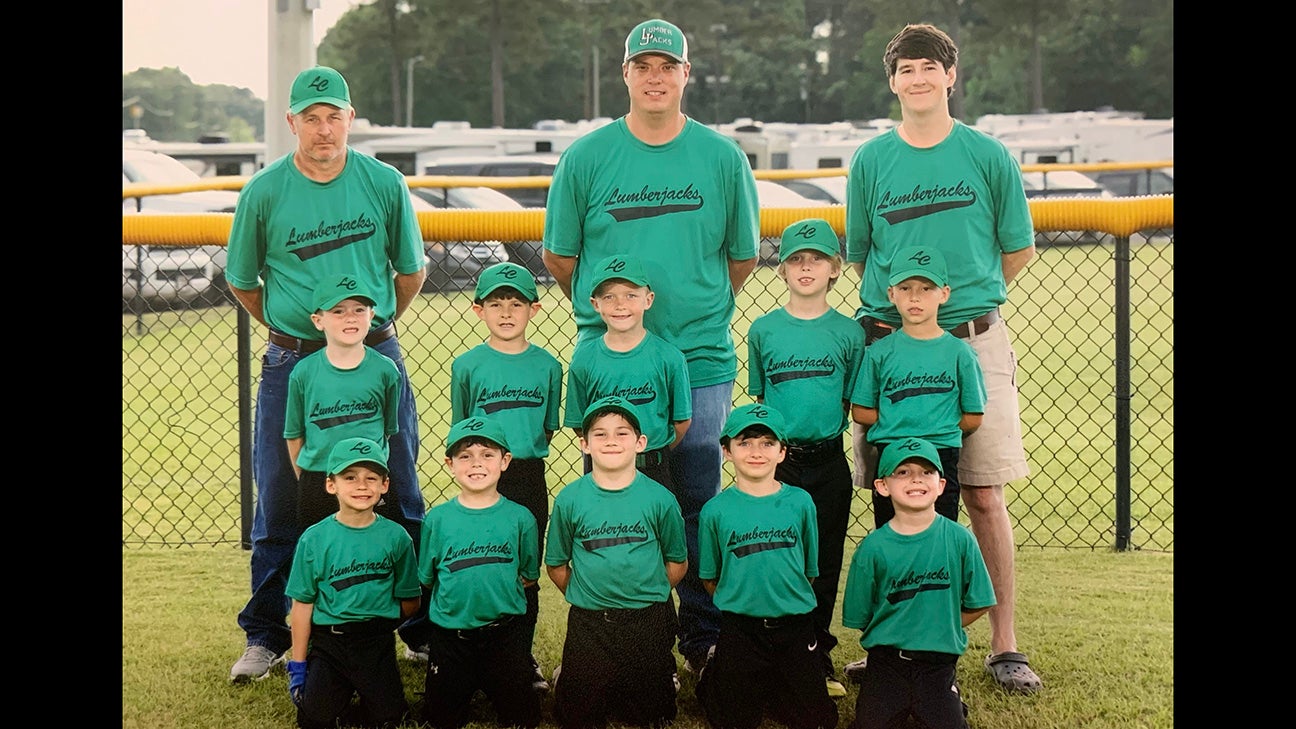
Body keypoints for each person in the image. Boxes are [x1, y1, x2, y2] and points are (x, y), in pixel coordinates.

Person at [542, 16, 761, 674]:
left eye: (669, 66)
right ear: (626, 75)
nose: (656, 76)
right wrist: (613, 321)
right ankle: (617, 644)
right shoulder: (587, 157)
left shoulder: (721, 158)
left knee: (697, 499)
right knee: (614, 505)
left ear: (686, 75)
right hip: (612, 362)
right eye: (645, 66)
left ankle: (699, 638)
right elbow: (560, 256)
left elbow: (741, 258)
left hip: (698, 357)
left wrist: (691, 302)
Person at [843, 22, 1043, 694]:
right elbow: (862, 254)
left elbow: (1015, 248)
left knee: (982, 493)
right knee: (897, 494)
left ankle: (1004, 643)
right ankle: (899, 639)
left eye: (930, 66)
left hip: (970, 341)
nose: (918, 78)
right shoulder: (872, 158)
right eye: (905, 68)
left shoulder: (986, 154)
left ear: (951, 76)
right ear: (892, 80)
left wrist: (969, 309)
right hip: (890, 346)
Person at [225, 65, 429, 682]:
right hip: (295, 360)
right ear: (291, 122)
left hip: (375, 357)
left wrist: (370, 332)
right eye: (309, 118)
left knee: (397, 487)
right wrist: (294, 331)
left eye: (333, 115)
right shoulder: (264, 191)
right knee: (283, 498)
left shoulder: (382, 182)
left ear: (351, 118)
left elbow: (409, 271)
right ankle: (268, 634)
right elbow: (243, 280)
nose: (322, 129)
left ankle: (416, 630)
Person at [745, 219, 865, 699]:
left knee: (825, 558)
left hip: (828, 461)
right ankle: (773, 650)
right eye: (796, 258)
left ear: (836, 268)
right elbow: (761, 397)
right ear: (782, 269)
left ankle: (816, 649)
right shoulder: (764, 329)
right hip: (781, 463)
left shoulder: (848, 333)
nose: (806, 267)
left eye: (816, 259)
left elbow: (847, 402)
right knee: (777, 555)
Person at [445, 261, 562, 688]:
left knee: (523, 569)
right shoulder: (468, 365)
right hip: (481, 474)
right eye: (496, 303)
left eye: (517, 303)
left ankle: (519, 655)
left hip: (528, 474)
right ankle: (472, 653)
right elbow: (464, 430)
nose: (507, 312)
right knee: (481, 563)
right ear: (479, 311)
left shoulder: (548, 365)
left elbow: (547, 425)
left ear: (535, 308)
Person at [544, 395, 689, 729]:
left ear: (640, 443)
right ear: (584, 444)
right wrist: (589, 594)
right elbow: (557, 566)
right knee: (578, 716)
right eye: (600, 434)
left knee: (652, 715)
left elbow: (676, 563)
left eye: (622, 433)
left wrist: (645, 590)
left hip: (647, 620)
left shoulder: (660, 498)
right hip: (591, 623)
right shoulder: (571, 499)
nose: (611, 440)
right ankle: (578, 670)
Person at [695, 403, 839, 729]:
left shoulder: (800, 502)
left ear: (782, 452)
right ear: (727, 451)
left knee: (816, 719)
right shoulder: (715, 510)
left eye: (767, 443)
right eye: (744, 442)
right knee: (730, 718)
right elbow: (710, 577)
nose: (756, 451)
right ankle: (720, 670)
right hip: (741, 627)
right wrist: (745, 602)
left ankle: (779, 680)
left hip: (794, 625)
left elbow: (809, 571)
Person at [840, 437, 996, 729]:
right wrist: (899, 627)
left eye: (927, 472)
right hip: (886, 663)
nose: (916, 480)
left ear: (941, 485)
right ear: (882, 486)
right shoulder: (872, 548)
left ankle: (947, 695)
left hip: (937, 663)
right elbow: (862, 616)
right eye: (902, 472)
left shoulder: (960, 539)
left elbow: (981, 601)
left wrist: (939, 624)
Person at [284, 437, 421, 729]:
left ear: (384, 485)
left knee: (389, 720)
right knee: (315, 720)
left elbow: (411, 600)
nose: (362, 485)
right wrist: (298, 664)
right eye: (350, 477)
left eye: (371, 478)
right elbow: (302, 605)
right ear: (331, 484)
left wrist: (379, 624)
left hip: (375, 641)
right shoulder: (314, 538)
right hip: (328, 643)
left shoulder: (397, 538)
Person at [847, 246, 985, 533]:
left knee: (941, 533)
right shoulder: (879, 353)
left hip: (942, 453)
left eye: (926, 288)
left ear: (944, 294)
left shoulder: (959, 353)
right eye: (905, 287)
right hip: (892, 451)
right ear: (891, 294)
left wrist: (932, 427)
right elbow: (861, 411)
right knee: (891, 533)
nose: (914, 296)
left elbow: (973, 416)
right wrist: (906, 424)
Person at [417, 417, 543, 729]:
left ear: (505, 461)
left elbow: (528, 576)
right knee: (440, 718)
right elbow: (429, 578)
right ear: (450, 463)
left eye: (487, 454)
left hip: (504, 634)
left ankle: (511, 672)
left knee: (522, 717)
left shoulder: (521, 518)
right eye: (465, 456)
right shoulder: (438, 519)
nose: (477, 463)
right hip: (452, 637)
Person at [562, 254, 692, 489]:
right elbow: (579, 423)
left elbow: (681, 421)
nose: (620, 305)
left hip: (654, 466)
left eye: (631, 295)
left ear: (648, 299)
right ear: (595, 304)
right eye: (609, 296)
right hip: (601, 467)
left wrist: (648, 451)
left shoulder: (669, 357)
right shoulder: (584, 359)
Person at [285, 274, 403, 529]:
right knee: (319, 554)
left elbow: (387, 430)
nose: (350, 317)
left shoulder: (386, 370)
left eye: (359, 310)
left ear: (371, 316)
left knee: (374, 549)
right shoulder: (304, 372)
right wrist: (310, 479)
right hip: (320, 479)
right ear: (318, 321)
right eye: (338, 311)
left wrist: (372, 474)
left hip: (368, 478)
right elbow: (294, 435)